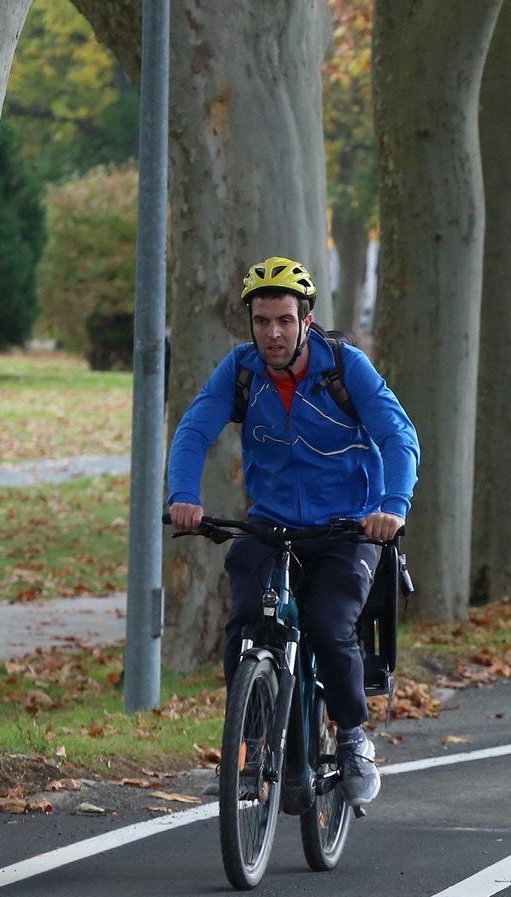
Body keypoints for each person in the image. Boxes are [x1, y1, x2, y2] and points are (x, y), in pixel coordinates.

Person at [166, 256, 420, 806]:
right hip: (273, 522)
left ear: (306, 319)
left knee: (330, 627)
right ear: (250, 323)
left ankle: (352, 737)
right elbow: (193, 431)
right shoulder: (240, 371)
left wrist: (392, 507)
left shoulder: (344, 368)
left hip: (348, 528)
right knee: (247, 621)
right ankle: (253, 741)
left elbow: (399, 437)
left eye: (284, 320)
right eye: (262, 322)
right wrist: (184, 496)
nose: (273, 333)